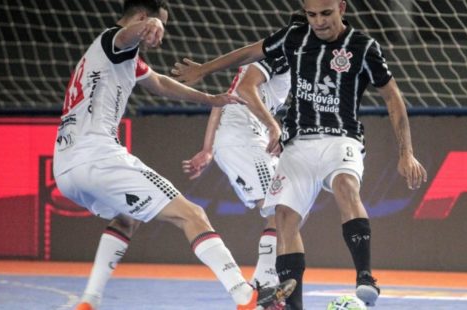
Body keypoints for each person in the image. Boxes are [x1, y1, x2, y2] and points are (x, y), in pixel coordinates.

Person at [172, 0, 428, 309]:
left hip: (340, 138)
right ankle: (290, 303)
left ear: (341, 8)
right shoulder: (294, 38)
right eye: (312, 15)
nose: (318, 22)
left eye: (325, 14)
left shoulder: (362, 46)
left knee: (346, 185)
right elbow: (249, 53)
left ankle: (364, 277)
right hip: (295, 143)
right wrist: (204, 69)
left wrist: (407, 153)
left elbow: (393, 96)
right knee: (283, 217)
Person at [52, 1, 295, 309]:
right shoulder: (114, 40)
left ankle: (89, 300)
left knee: (127, 218)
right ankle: (246, 296)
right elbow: (125, 35)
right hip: (97, 155)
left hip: (65, 168)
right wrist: (148, 27)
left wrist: (209, 98)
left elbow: (160, 83)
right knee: (192, 214)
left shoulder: (104, 55)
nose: (161, 36)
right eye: (159, 24)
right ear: (141, 16)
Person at [182, 55, 291, 288]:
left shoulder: (278, 62)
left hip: (246, 139)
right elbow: (243, 89)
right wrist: (273, 125)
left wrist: (208, 149)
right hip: (243, 138)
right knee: (280, 208)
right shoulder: (281, 55)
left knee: (287, 208)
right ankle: (263, 284)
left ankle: (265, 281)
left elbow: (222, 101)